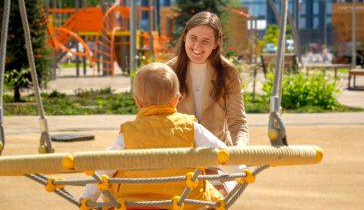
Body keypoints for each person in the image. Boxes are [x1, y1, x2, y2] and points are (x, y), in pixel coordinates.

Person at [81, 63, 229, 209]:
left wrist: (86, 199)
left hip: (132, 204)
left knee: (109, 167)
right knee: (221, 185)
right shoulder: (191, 127)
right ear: (177, 99)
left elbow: (104, 169)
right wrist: (241, 170)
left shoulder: (127, 133)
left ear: (137, 102)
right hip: (185, 202)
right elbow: (224, 153)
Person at [167, 11, 249, 147]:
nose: (198, 46)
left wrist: (240, 150)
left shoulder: (228, 72)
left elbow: (237, 122)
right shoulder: (168, 71)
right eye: (193, 38)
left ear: (216, 43)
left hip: (217, 154)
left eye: (206, 41)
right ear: (185, 36)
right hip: (180, 156)